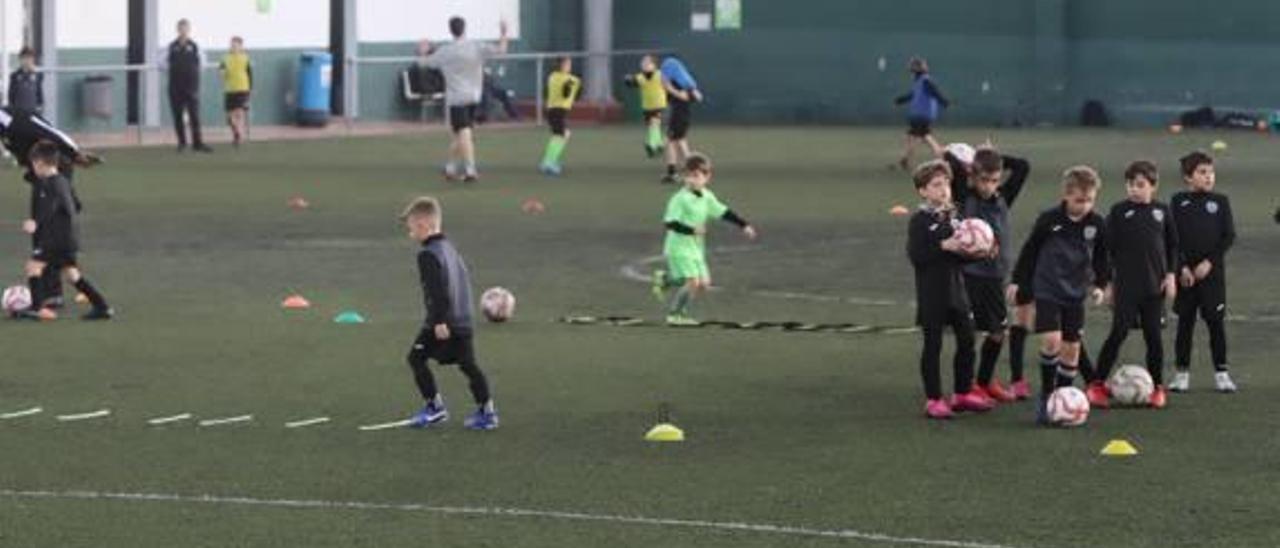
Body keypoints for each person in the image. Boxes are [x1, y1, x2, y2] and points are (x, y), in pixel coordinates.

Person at [1007, 166, 1108, 424]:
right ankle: (1048, 395)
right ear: (1066, 195)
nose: (1084, 206)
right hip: (1048, 289)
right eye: (1079, 200)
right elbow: (1030, 250)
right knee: (1052, 341)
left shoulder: (1097, 224)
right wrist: (1018, 281)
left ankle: (1064, 395)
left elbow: (1101, 258)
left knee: (1072, 350)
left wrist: (1099, 285)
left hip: (1075, 293)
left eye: (1089, 200)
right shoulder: (1049, 220)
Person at [906, 159, 994, 419]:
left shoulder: (956, 217)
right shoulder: (919, 221)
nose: (944, 190)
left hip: (957, 292)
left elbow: (963, 254)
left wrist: (981, 250)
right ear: (923, 191)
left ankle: (962, 393)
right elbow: (917, 255)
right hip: (932, 293)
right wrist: (944, 246)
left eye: (946, 184)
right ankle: (933, 400)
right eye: (936, 185)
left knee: (967, 341)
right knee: (932, 346)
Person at [400, 196, 497, 430]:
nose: (410, 233)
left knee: (416, 358)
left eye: (411, 228)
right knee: (468, 364)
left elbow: (437, 291)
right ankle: (487, 412)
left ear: (423, 224)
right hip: (463, 319)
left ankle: (435, 408)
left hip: (444, 320)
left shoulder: (428, 254)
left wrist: (439, 321)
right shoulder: (449, 248)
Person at [1088, 160, 1180, 409]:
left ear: (1153, 186)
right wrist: (1106, 283)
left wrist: (1171, 274)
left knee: (1154, 338)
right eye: (1130, 185)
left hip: (1154, 289)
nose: (1134, 190)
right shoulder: (1118, 212)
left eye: (1140, 185)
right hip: (1126, 287)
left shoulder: (1163, 211)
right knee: (1117, 333)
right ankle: (1096, 384)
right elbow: (1105, 250)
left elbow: (1173, 246)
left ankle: (1157, 388)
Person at [943, 145, 1030, 402]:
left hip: (994, 277)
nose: (989, 186)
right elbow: (949, 158)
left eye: (994, 180)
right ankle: (968, 386)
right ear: (973, 176)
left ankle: (983, 382)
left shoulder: (1003, 197)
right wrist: (973, 159)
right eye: (984, 180)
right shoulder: (963, 196)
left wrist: (997, 156)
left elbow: (1023, 166)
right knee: (971, 334)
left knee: (997, 333)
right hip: (969, 276)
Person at [1, 107, 102, 309]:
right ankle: (56, 291)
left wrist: (76, 154)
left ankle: (49, 295)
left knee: (46, 224)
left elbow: (53, 133)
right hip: (39, 171)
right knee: (48, 225)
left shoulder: (14, 119)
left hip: (54, 167)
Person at [651, 153, 756, 326]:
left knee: (703, 284)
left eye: (696, 176)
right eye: (688, 176)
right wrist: (692, 230)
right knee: (693, 282)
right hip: (678, 247)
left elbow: (724, 212)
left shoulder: (707, 196)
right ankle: (675, 315)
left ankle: (665, 280)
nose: (691, 180)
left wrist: (744, 225)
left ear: (707, 177)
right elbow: (669, 223)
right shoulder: (680, 198)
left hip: (695, 248)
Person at [17, 142, 112, 321]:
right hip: (68, 238)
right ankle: (102, 307)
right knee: (72, 275)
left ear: (39, 163)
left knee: (33, 267)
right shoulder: (63, 181)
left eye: (33, 165)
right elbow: (76, 205)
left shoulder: (51, 184)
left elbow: (53, 208)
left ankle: (38, 309)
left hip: (55, 238)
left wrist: (36, 223)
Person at [1170, 151, 1237, 393]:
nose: (1209, 177)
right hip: (1186, 277)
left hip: (1212, 277)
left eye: (1211, 172)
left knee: (1215, 324)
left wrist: (1209, 262)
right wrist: (1183, 267)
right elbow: (1173, 239)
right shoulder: (1178, 202)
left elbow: (1228, 236)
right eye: (1202, 172)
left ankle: (1222, 373)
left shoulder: (1220, 202)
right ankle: (1181, 374)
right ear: (1188, 177)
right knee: (1184, 324)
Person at [421, 16, 509, 182]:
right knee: (459, 135)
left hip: (456, 99)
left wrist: (424, 50)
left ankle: (470, 170)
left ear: (450, 30)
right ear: (464, 28)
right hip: (474, 97)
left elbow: (425, 63)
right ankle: (451, 168)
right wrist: (504, 32)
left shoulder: (445, 51)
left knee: (464, 133)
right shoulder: (476, 47)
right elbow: (502, 49)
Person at [895, 57, 949, 171]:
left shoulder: (925, 81)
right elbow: (913, 94)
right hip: (919, 115)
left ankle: (943, 158)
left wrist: (942, 101)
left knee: (920, 136)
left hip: (922, 115)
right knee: (916, 136)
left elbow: (935, 91)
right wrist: (901, 100)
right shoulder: (919, 81)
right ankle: (906, 159)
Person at [167, 19, 212, 153]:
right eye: (181, 28)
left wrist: (192, 75)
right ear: (177, 30)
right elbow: (162, 64)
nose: (183, 31)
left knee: (194, 116)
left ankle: (197, 143)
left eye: (185, 28)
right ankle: (182, 143)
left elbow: (203, 64)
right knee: (177, 116)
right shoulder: (170, 46)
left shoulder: (195, 46)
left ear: (189, 30)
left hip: (191, 87)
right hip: (175, 87)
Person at [659, 56, 702, 184]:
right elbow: (697, 96)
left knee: (670, 141)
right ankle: (694, 170)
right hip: (682, 115)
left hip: (679, 115)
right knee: (680, 141)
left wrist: (673, 91)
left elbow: (695, 97)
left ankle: (673, 173)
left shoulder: (676, 84)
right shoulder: (683, 82)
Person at [538, 57, 581, 176]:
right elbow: (565, 93)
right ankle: (548, 163)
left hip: (552, 109)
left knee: (563, 134)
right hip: (558, 110)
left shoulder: (552, 76)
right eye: (567, 64)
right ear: (562, 65)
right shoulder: (570, 79)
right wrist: (569, 85)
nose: (569, 66)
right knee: (559, 135)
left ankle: (550, 160)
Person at [623, 54, 668, 159]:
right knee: (652, 127)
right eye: (643, 62)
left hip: (660, 105)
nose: (644, 64)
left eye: (648, 63)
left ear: (654, 65)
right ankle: (660, 145)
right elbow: (631, 82)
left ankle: (651, 145)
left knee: (654, 124)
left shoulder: (661, 75)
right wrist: (628, 79)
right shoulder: (640, 77)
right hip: (647, 107)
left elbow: (669, 85)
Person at [219, 36, 252, 148]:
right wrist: (222, 73)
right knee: (229, 117)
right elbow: (221, 70)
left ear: (241, 46)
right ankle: (236, 132)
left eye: (236, 45)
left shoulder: (245, 58)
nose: (234, 47)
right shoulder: (225, 58)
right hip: (229, 89)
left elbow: (249, 74)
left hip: (242, 88)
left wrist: (250, 89)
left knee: (239, 112)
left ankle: (239, 135)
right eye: (232, 45)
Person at [7, 47, 44, 114]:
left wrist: (40, 106)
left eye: (29, 58)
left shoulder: (38, 76)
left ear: (33, 60)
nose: (27, 61)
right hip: (18, 112)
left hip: (33, 111)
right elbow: (11, 95)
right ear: (20, 59)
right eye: (24, 58)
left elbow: (39, 93)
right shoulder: (14, 76)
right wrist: (12, 109)